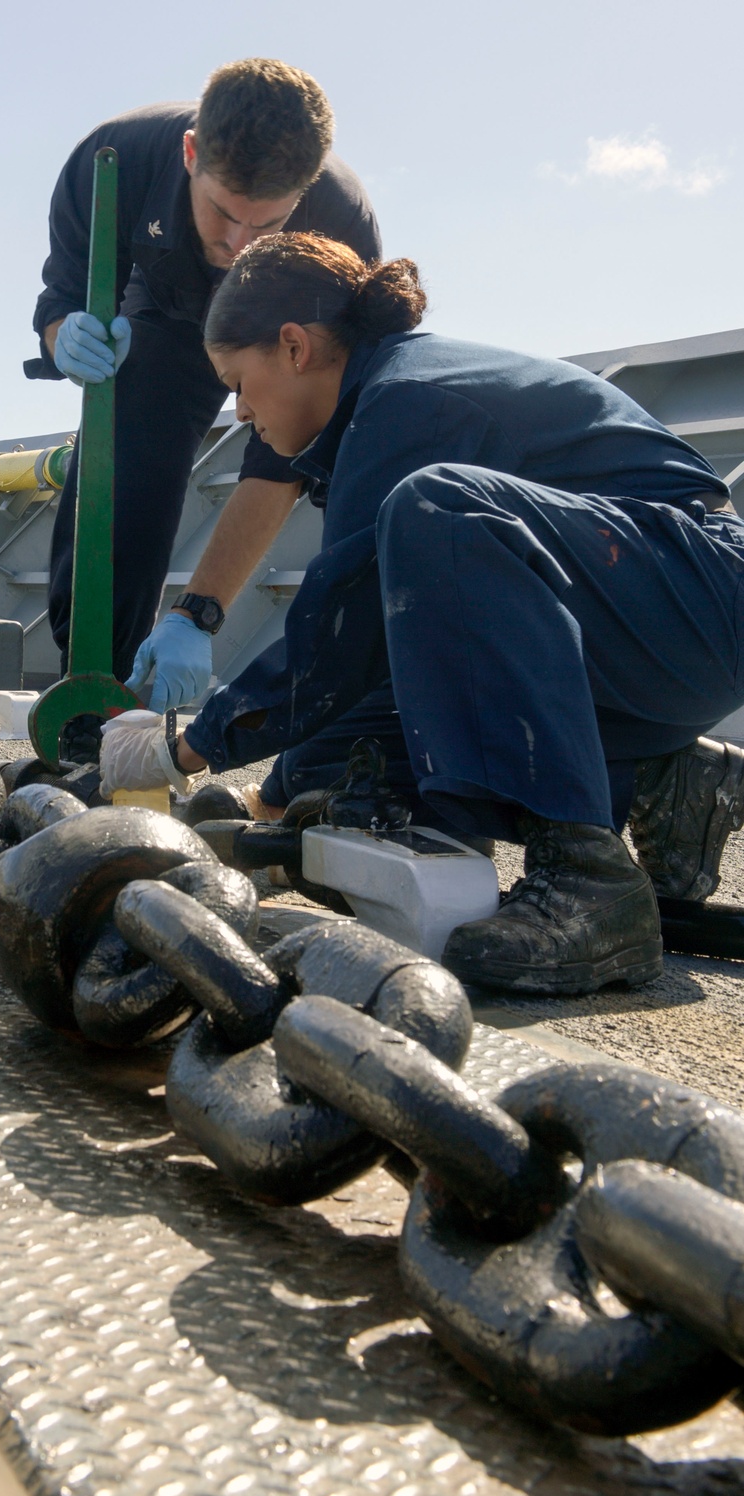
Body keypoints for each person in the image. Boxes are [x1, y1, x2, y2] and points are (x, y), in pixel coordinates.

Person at [99, 232, 744, 996]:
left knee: (438, 505)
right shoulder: (382, 407)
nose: (240, 411)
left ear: (295, 347)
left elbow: (336, 642)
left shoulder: (405, 402)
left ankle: (589, 884)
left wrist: (187, 749)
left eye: (239, 382)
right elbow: (379, 662)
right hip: (645, 621)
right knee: (395, 750)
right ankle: (667, 776)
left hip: (704, 587)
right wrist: (278, 803)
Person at [27, 59, 380, 757]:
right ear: (191, 153)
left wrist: (199, 613)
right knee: (128, 453)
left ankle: (337, 733)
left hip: (280, 330)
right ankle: (95, 694)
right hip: (163, 322)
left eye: (268, 223)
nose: (239, 246)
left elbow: (284, 455)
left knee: (342, 468)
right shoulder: (114, 158)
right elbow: (61, 294)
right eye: (223, 213)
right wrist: (64, 334)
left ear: (306, 190)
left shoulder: (342, 224)